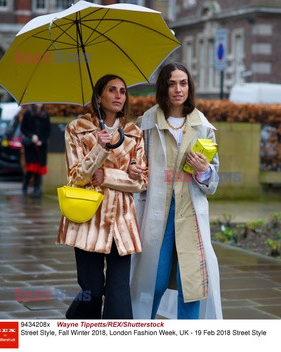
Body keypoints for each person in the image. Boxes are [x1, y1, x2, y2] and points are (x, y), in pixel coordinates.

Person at [129, 63, 222, 319]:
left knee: (190, 285)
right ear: (163, 88)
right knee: (152, 282)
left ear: (189, 87)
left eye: (183, 83)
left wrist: (203, 170)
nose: (178, 89)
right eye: (171, 84)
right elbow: (134, 166)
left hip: (189, 215)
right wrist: (134, 169)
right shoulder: (146, 123)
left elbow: (213, 182)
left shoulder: (203, 126)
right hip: (155, 214)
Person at [56, 74, 147, 319]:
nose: (119, 96)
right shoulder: (77, 129)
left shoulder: (134, 133)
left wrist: (110, 175)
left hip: (121, 221)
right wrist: (99, 148)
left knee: (118, 292)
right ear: (99, 96)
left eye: (123, 91)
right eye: (112, 90)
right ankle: (79, 322)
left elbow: (141, 181)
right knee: (92, 290)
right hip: (89, 219)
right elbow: (76, 177)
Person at [20, 104, 51, 197]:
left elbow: (48, 131)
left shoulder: (45, 115)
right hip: (31, 146)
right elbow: (23, 128)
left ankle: (36, 188)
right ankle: (25, 185)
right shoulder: (28, 113)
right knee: (31, 168)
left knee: (39, 168)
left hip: (41, 146)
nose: (39, 103)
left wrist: (42, 141)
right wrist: (31, 136)